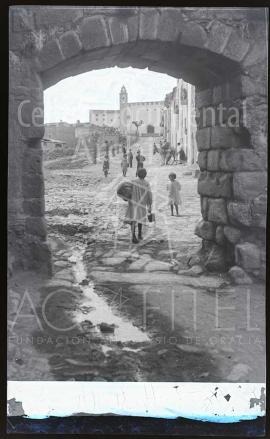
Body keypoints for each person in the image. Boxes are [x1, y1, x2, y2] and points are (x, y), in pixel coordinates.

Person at [125, 168, 152, 243]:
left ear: (137, 173)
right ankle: (139, 234)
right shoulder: (146, 183)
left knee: (133, 220)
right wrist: (149, 205)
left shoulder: (133, 182)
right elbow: (149, 195)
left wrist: (126, 198)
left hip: (133, 203)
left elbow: (127, 191)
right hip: (142, 204)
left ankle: (133, 236)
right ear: (145, 175)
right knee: (140, 219)